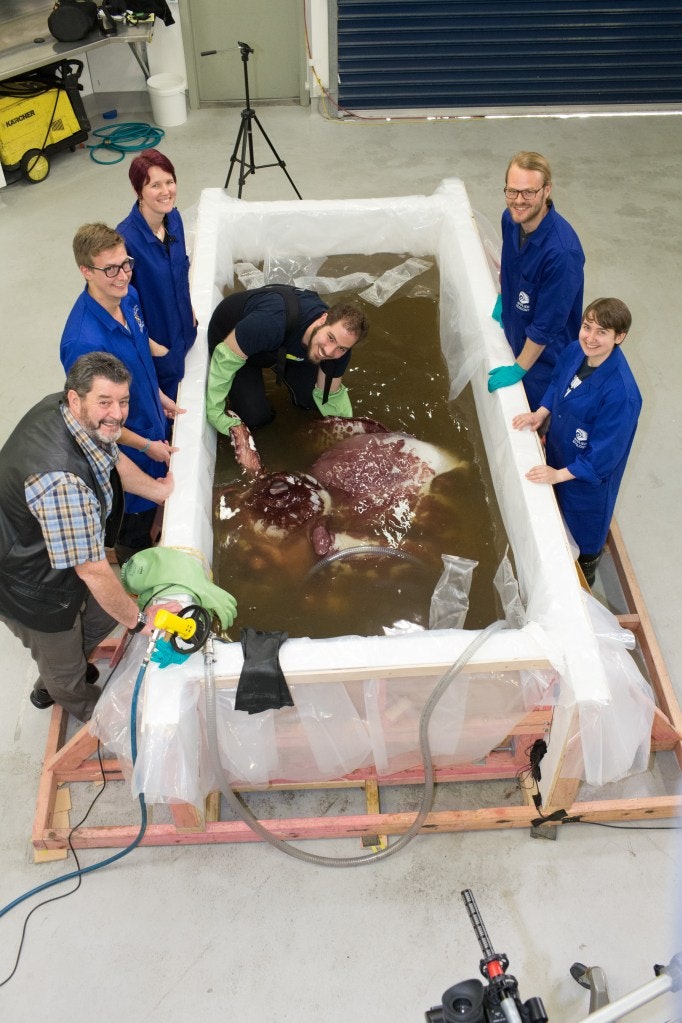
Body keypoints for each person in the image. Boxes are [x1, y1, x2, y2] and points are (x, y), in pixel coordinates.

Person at [0, 352, 175, 722]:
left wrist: (159, 493)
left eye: (123, 401)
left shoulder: (69, 411)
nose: (117, 413)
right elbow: (94, 571)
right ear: (76, 398)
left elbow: (110, 457)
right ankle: (85, 705)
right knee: (63, 669)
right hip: (28, 584)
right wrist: (144, 622)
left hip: (56, 549)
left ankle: (70, 665)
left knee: (100, 617)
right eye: (105, 401)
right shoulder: (61, 480)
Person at [60, 222, 182, 564]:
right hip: (128, 452)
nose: (123, 275)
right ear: (86, 271)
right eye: (110, 268)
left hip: (152, 426)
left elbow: (139, 354)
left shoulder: (129, 297)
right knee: (135, 525)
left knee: (158, 510)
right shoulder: (83, 341)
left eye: (126, 263)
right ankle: (132, 571)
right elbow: (93, 424)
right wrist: (145, 444)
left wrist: (158, 396)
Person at [512, 298, 642, 586]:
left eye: (602, 332)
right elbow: (558, 382)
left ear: (619, 337)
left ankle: (587, 578)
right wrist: (540, 413)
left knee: (582, 543)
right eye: (587, 327)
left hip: (586, 487)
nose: (590, 338)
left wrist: (557, 475)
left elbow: (603, 459)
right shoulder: (575, 350)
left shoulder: (622, 395)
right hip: (559, 451)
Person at [489, 151, 585, 411]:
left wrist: (519, 368)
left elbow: (546, 327)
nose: (519, 201)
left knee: (537, 426)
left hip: (543, 362)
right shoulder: (510, 220)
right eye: (512, 191)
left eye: (528, 192)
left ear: (546, 190)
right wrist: (504, 298)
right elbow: (509, 266)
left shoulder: (562, 254)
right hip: (514, 331)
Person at [205, 285, 370, 436]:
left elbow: (330, 395)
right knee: (256, 418)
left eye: (342, 348)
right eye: (330, 337)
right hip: (232, 341)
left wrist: (348, 433)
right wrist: (215, 413)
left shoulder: (338, 350)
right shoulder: (270, 322)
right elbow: (225, 360)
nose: (328, 351)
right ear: (323, 319)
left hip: (279, 347)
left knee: (311, 402)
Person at [116, 149, 197, 401]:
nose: (166, 191)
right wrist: (153, 347)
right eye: (155, 185)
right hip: (160, 344)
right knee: (170, 407)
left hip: (185, 328)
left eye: (170, 182)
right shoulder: (125, 240)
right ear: (138, 191)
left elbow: (180, 270)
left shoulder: (174, 218)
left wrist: (190, 310)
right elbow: (120, 304)